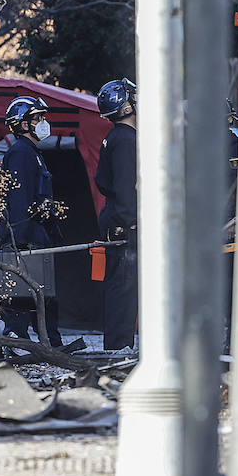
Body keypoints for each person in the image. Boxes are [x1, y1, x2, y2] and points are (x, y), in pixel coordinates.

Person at [0, 94, 63, 346]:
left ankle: (51, 342)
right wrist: (20, 241)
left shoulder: (33, 152)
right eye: (37, 118)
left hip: (38, 234)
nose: (43, 122)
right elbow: (19, 199)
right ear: (22, 124)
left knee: (45, 295)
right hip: (27, 238)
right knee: (23, 295)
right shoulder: (20, 153)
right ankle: (20, 342)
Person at [95, 78, 139, 351]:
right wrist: (132, 223)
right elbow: (126, 188)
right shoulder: (124, 140)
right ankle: (117, 348)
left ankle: (120, 344)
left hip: (118, 221)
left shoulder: (119, 138)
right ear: (125, 107)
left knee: (124, 287)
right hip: (124, 226)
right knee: (123, 288)